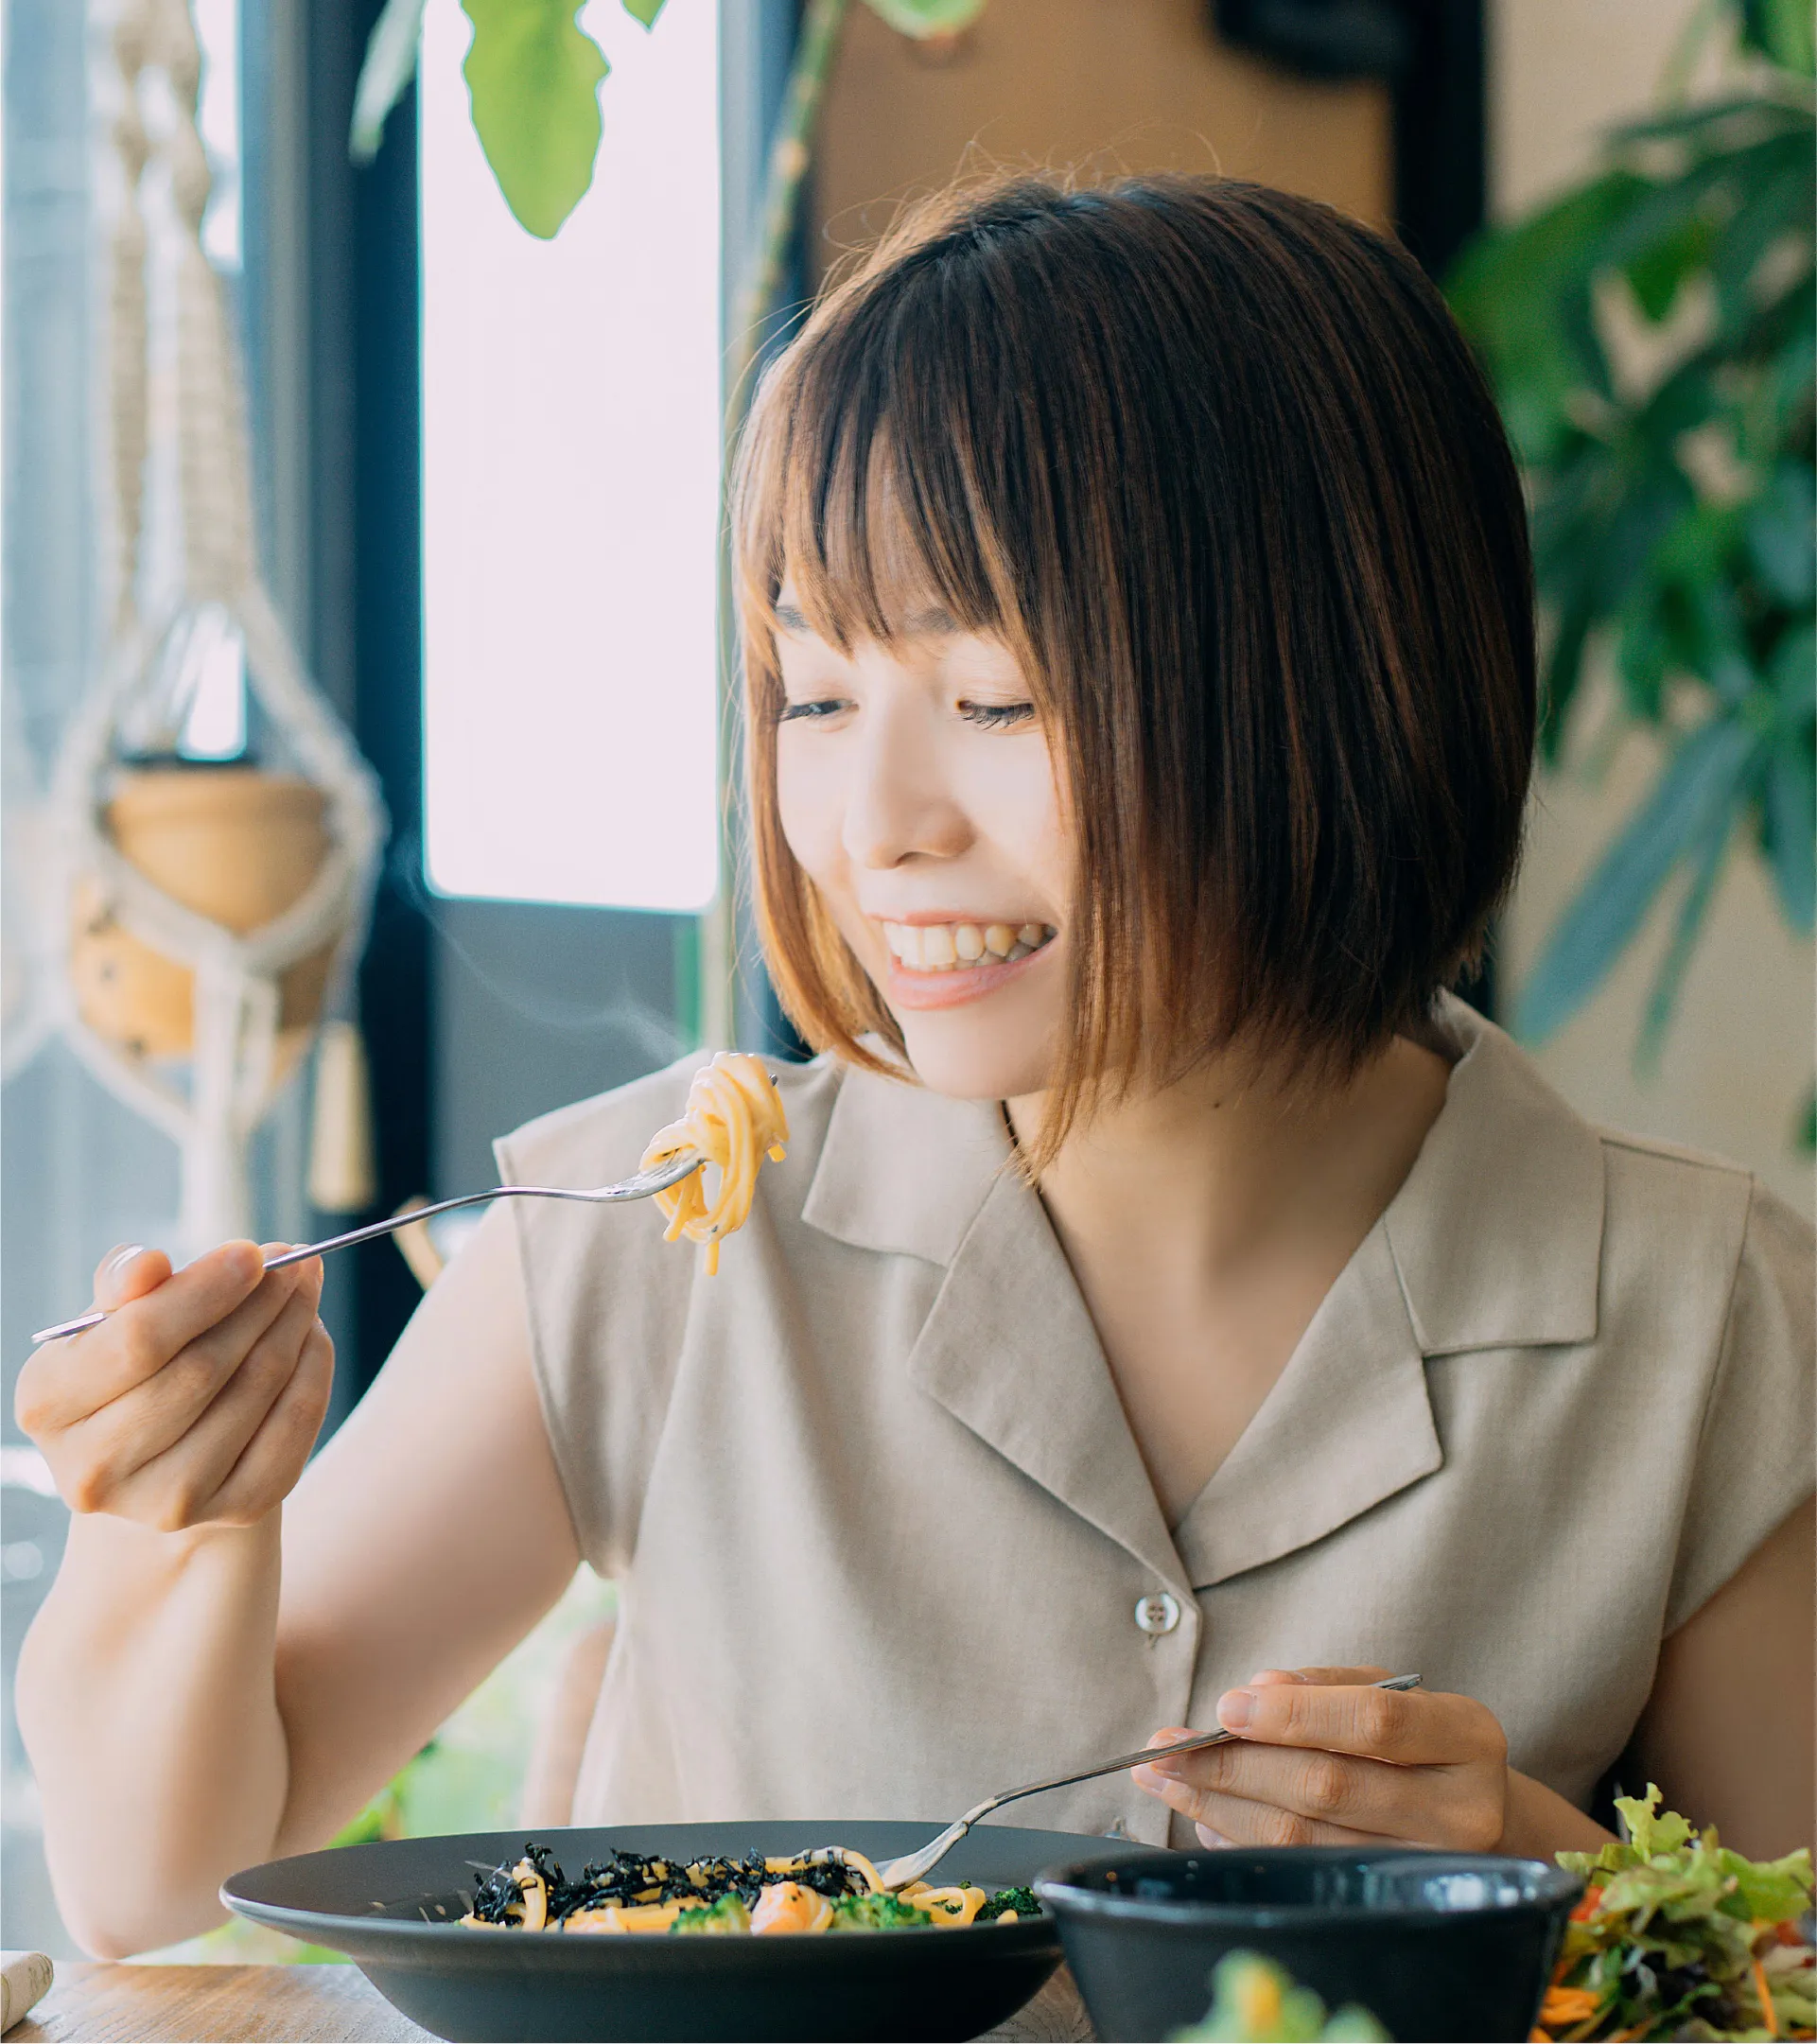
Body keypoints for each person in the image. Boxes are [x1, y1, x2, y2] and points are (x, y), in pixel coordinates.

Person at [16, 176, 1812, 1960]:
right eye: (813, 695)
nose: (868, 827)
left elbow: (1783, 1969)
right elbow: (167, 1886)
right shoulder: (657, 1235)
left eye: (996, 698)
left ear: (1330, 686)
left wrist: (1552, 1884)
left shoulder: (1709, 1325)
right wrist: (173, 1519)